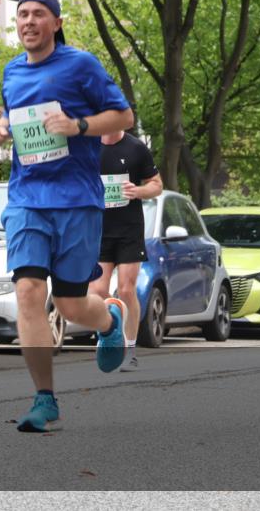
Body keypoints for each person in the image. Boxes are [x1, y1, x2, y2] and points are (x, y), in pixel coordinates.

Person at [0, 0, 135, 433]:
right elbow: (14, 116)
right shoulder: (11, 71)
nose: (28, 21)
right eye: (22, 15)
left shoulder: (80, 65)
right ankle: (44, 398)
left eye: (37, 15)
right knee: (29, 291)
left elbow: (123, 116)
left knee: (69, 304)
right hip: (27, 199)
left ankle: (108, 319)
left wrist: (79, 126)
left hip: (76, 200)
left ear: (56, 22)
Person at [87, 130, 163, 370]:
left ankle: (130, 350)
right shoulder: (88, 146)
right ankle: (111, 332)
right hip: (99, 230)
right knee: (97, 289)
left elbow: (157, 185)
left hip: (129, 230)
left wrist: (138, 191)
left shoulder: (136, 148)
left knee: (126, 289)